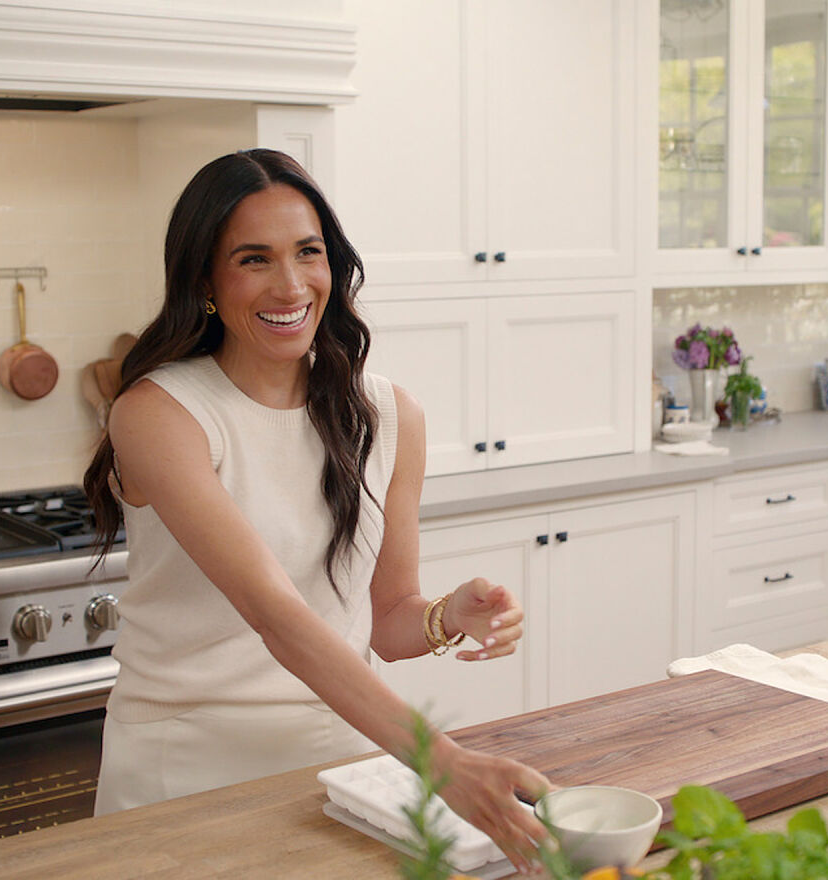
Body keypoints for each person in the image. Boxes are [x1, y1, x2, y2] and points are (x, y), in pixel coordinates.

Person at [82, 148, 549, 872]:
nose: (292, 283)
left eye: (309, 252)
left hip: (342, 769)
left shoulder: (390, 415)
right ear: (206, 279)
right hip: (183, 773)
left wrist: (448, 615)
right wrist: (445, 762)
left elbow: (386, 622)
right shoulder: (159, 415)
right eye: (254, 259)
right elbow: (276, 616)